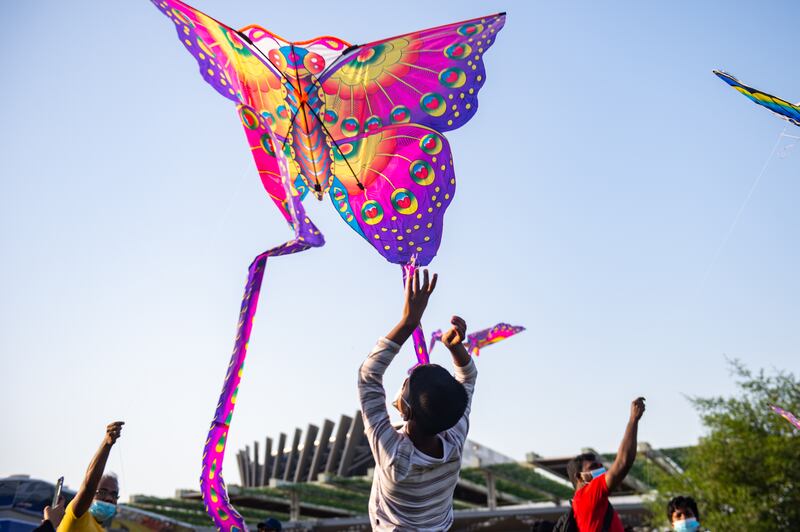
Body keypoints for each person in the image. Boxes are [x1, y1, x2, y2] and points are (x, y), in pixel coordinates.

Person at [358, 268, 477, 530]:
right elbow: (467, 378)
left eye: (406, 384)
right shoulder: (452, 439)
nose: (404, 379)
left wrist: (409, 321)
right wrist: (456, 348)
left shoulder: (395, 457)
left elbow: (368, 375)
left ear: (406, 411)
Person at [560, 398, 646, 532]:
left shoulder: (582, 504)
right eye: (593, 467)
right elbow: (623, 462)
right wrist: (633, 420)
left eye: (601, 466)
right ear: (579, 477)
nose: (601, 470)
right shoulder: (587, 495)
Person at [58, 421, 124, 532]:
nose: (109, 499)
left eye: (114, 494)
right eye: (102, 492)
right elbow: (89, 485)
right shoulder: (77, 516)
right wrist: (106, 444)